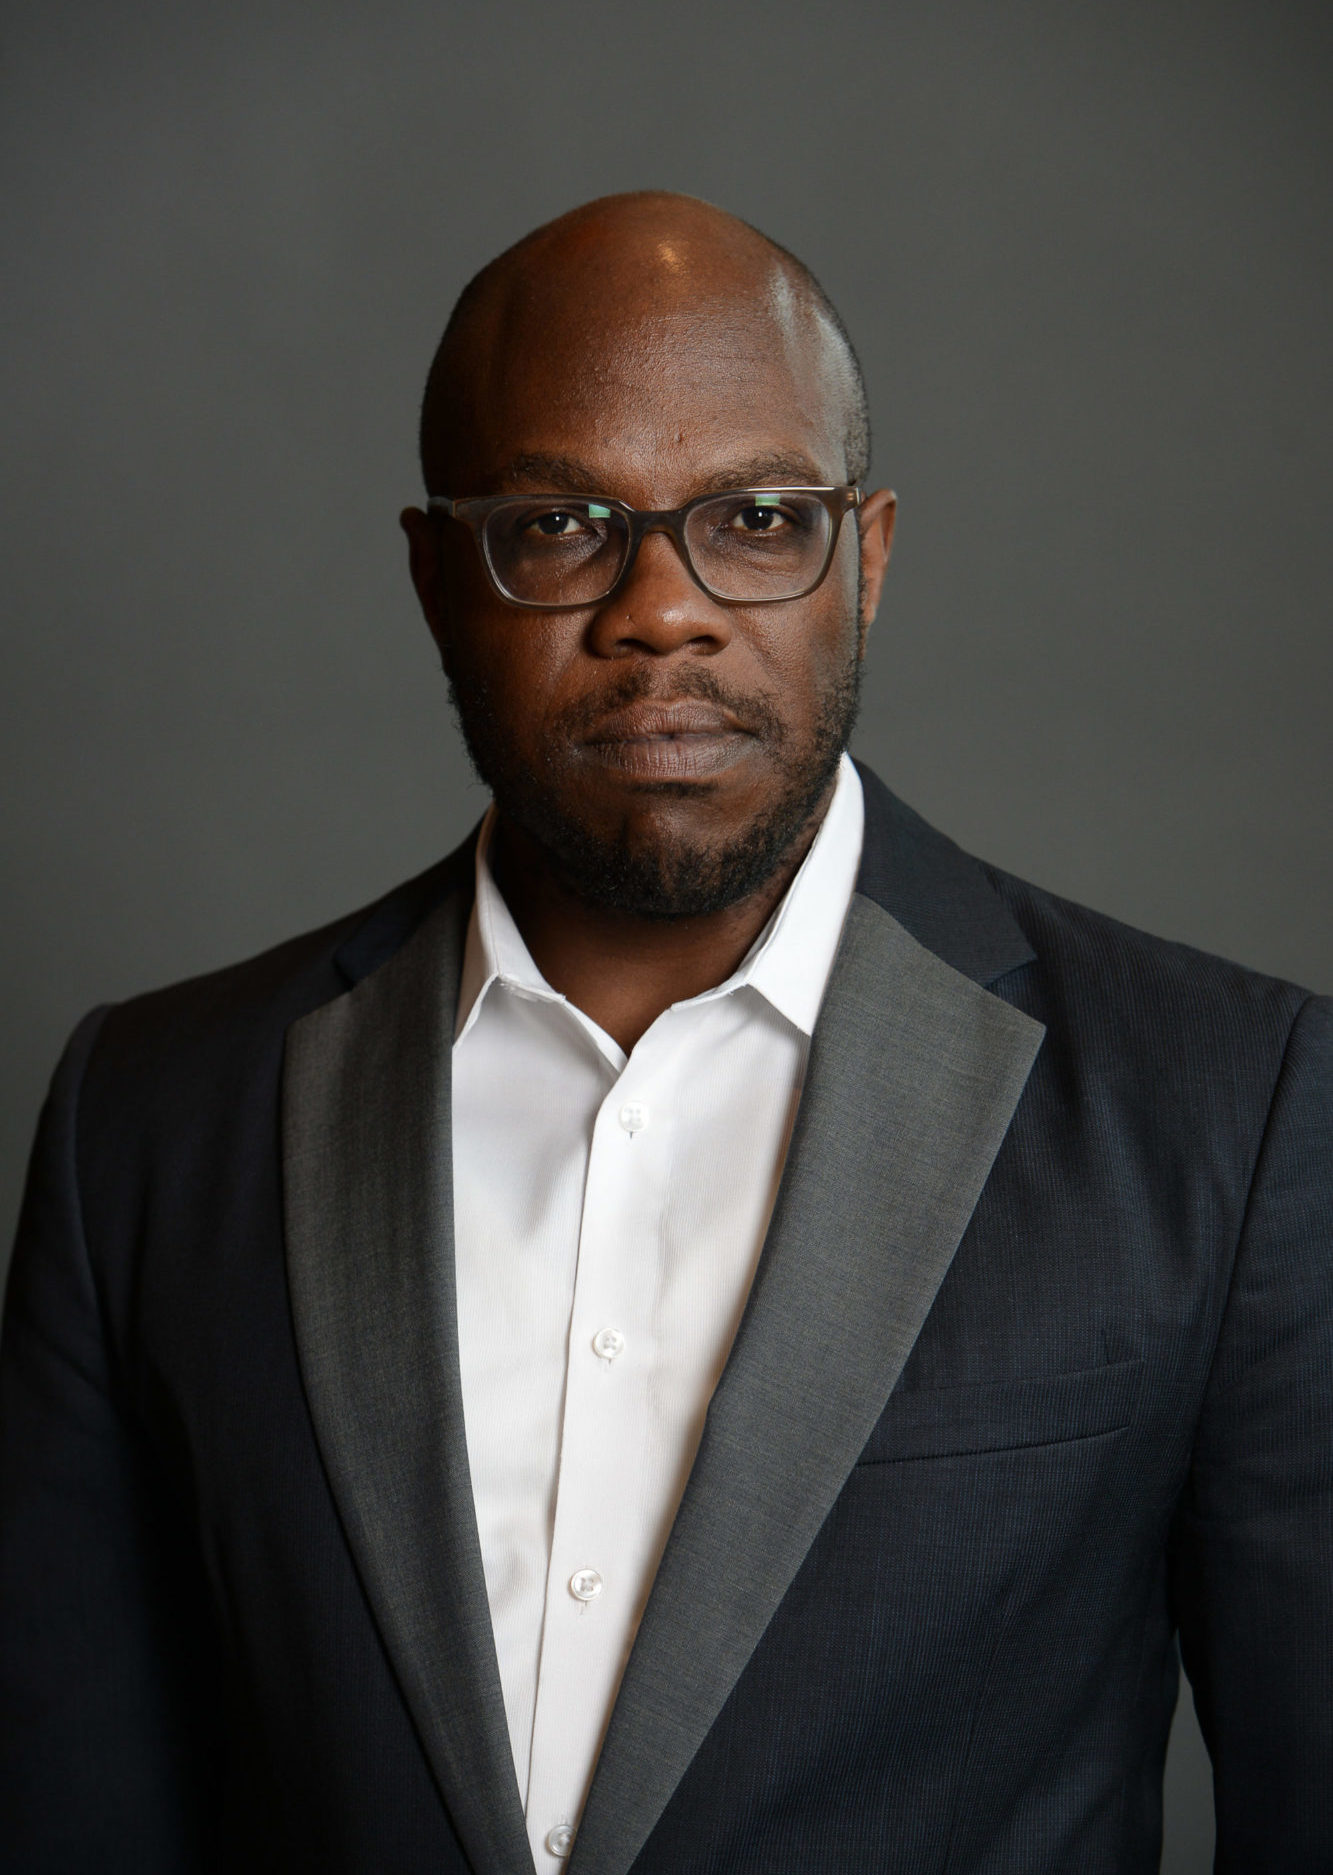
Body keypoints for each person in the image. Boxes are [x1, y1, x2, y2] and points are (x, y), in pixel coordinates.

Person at [1, 191, 1329, 1875]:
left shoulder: (1228, 1109)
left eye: (756, 517)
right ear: (433, 578)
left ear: (868, 556)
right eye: (559, 526)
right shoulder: (148, 1123)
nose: (660, 611)